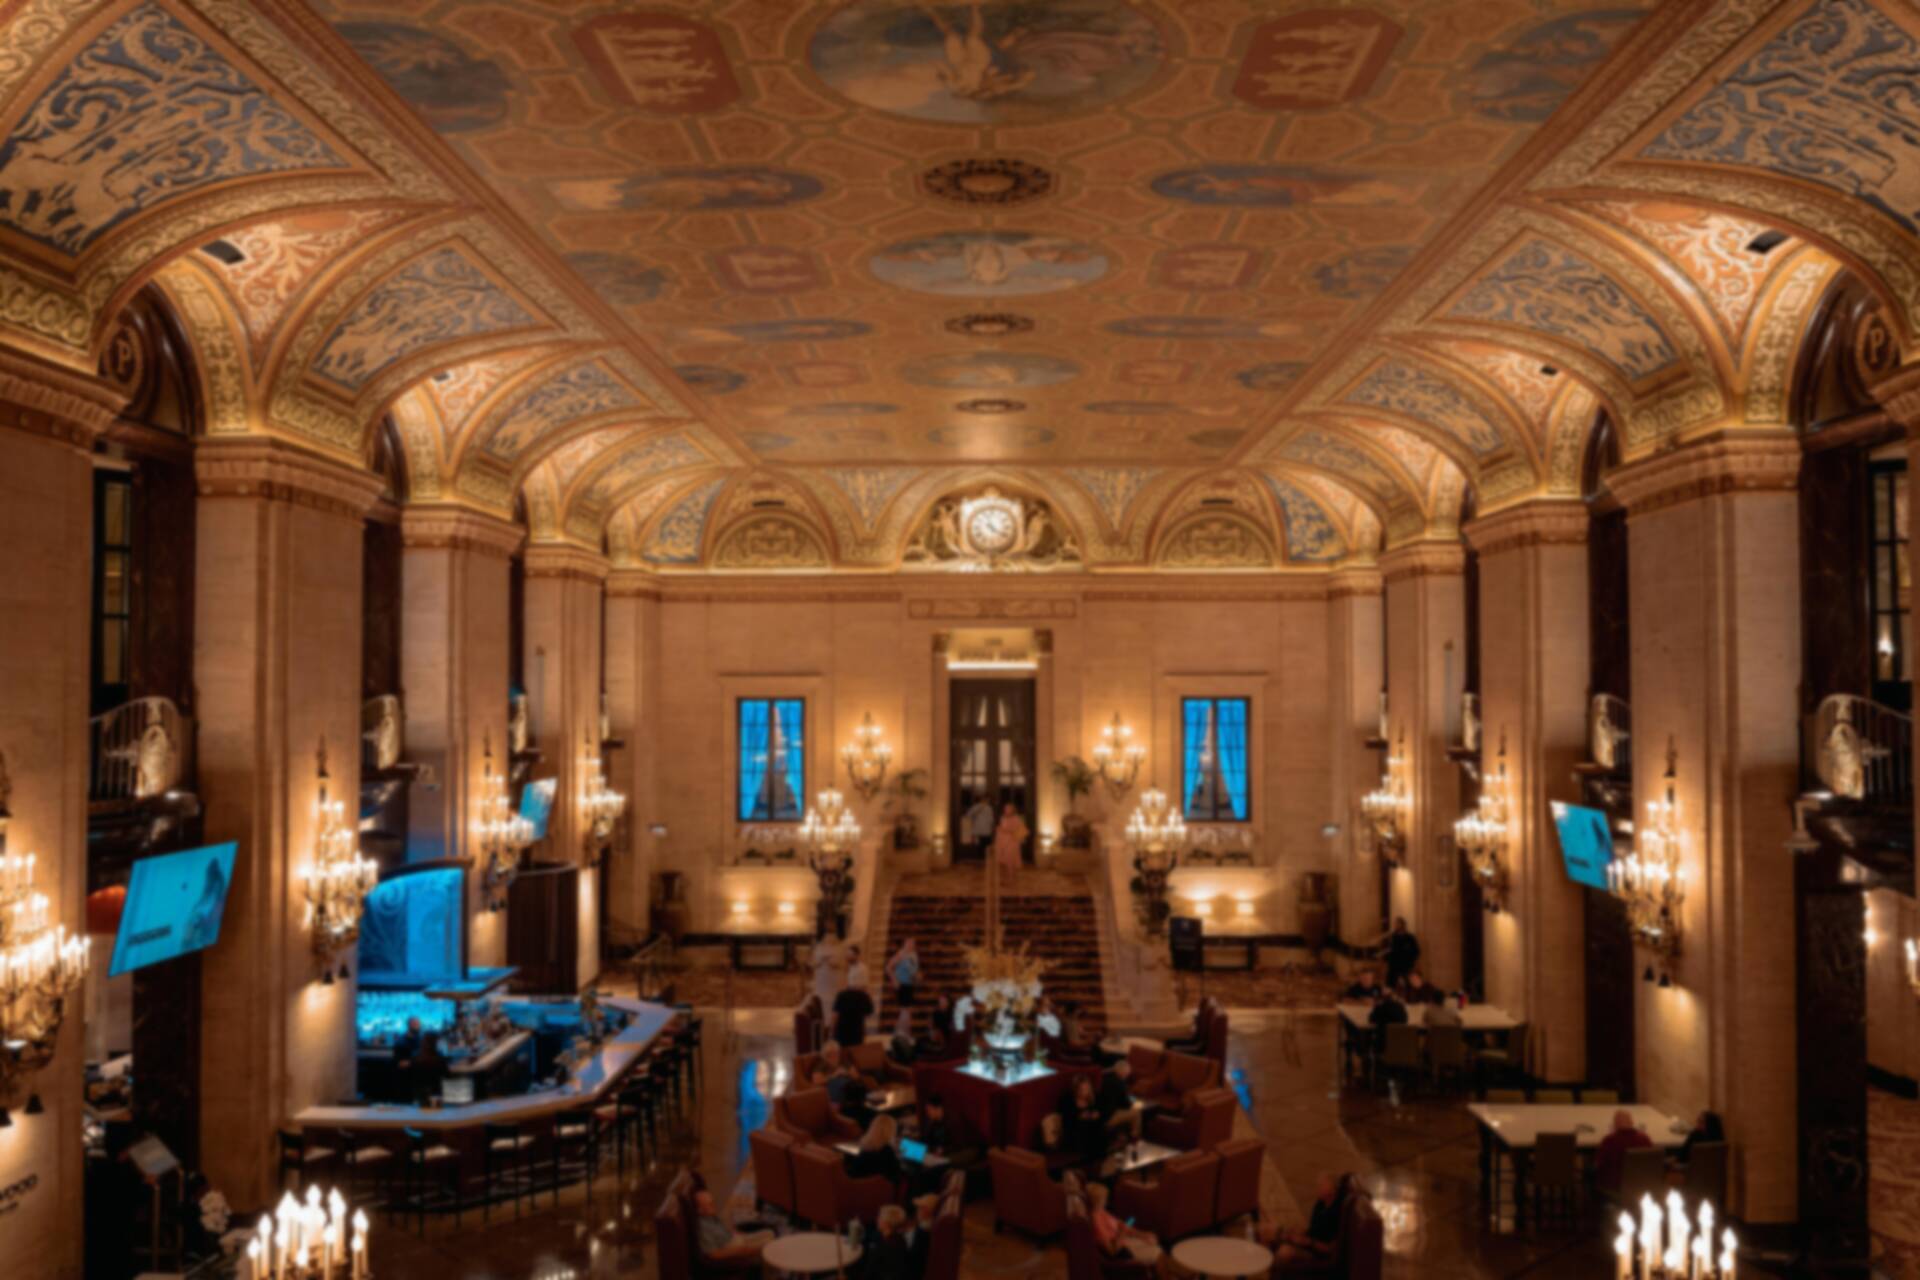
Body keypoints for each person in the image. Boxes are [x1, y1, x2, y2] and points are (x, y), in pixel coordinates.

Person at [1261, 1172, 1351, 1264]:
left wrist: (1308, 1242)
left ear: (1332, 1190)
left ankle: (1274, 1271)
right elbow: (1313, 1229)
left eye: (1322, 1185)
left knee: (1285, 1252)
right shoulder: (1320, 1204)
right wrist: (1298, 1232)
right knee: (1269, 1230)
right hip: (1307, 1241)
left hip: (1317, 1253)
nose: (1318, 1188)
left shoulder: (1337, 1213)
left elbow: (1331, 1249)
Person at [1085, 1180, 1161, 1264]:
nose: (1106, 1202)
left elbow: (1122, 1224)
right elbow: (1112, 1251)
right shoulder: (1096, 1221)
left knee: (1150, 1237)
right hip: (1122, 1251)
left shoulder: (1101, 1211)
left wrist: (1142, 1234)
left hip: (1124, 1238)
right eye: (1104, 1199)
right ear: (1096, 1201)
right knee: (1157, 1252)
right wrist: (1123, 1232)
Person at [693, 1187, 773, 1264]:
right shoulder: (702, 1227)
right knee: (768, 1245)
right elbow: (714, 1254)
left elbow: (724, 1229)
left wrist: (737, 1233)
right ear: (699, 1210)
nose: (714, 1205)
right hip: (731, 1247)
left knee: (769, 1233)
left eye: (713, 1201)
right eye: (710, 1204)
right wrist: (742, 1251)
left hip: (735, 1239)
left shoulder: (710, 1216)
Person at [1595, 1109, 1653, 1192]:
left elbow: (1598, 1164)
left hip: (1614, 1185)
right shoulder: (1644, 1139)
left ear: (1615, 1125)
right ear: (1632, 1123)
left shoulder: (1609, 1140)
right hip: (1641, 1184)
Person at [845, 1114, 905, 1190]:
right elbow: (896, 1176)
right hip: (876, 1190)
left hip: (856, 1187)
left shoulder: (863, 1144)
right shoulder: (888, 1152)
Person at [1059, 1074, 1107, 1169]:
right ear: (1075, 1089)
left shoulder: (1093, 1098)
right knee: (1089, 1131)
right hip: (1074, 1133)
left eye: (1087, 1089)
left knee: (1098, 1130)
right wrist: (1079, 1117)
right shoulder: (1068, 1100)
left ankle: (1098, 1163)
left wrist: (1097, 1114)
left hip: (1092, 1131)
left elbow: (1102, 1112)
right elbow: (1066, 1121)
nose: (1085, 1092)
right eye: (1082, 1089)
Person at [864, 1203, 913, 1280]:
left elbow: (871, 1272)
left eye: (880, 1217)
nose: (877, 1219)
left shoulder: (888, 1246)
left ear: (886, 1223)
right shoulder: (897, 1238)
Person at [833, 969, 876, 1049]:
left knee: (843, 1054)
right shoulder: (864, 996)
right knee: (856, 1053)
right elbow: (869, 1013)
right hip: (857, 1032)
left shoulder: (841, 995)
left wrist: (833, 1030)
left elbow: (835, 1015)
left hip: (842, 1031)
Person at [992, 802, 1030, 877]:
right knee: (1002, 859)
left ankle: (1011, 876)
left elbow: (1016, 830)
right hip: (1002, 840)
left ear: (1012, 810)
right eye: (1005, 808)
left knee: (1010, 858)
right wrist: (999, 830)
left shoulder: (1016, 818)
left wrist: (1003, 830)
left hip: (1011, 841)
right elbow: (1001, 828)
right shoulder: (1002, 817)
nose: (1006, 810)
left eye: (1008, 808)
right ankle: (1004, 876)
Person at [411, 1032, 449, 1104]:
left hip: (419, 1095)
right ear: (435, 1044)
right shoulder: (439, 1059)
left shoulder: (415, 1057)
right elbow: (447, 1075)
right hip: (436, 1094)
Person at [904, 1193, 939, 1274]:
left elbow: (912, 1258)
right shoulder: (927, 1226)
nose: (917, 1210)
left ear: (925, 1210)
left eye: (919, 1208)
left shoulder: (923, 1232)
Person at [1383, 917, 1421, 988]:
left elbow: (1416, 951)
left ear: (1403, 925)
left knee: (1407, 984)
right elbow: (1392, 951)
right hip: (1394, 966)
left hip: (1406, 966)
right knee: (1391, 984)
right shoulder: (1394, 937)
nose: (1396, 926)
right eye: (1395, 924)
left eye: (1397, 924)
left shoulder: (1410, 938)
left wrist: (1412, 962)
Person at [888, 939, 921, 1011]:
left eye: (912, 943)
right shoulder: (901, 954)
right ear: (904, 944)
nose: (911, 945)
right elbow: (888, 968)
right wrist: (894, 980)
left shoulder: (913, 954)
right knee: (904, 1011)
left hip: (910, 984)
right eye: (909, 943)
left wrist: (917, 976)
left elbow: (913, 969)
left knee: (908, 1011)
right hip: (902, 984)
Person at [963, 793, 996, 861]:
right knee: (981, 846)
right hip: (979, 830)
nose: (987, 801)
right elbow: (968, 815)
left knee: (986, 846)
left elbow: (991, 819)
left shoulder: (989, 808)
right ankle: (980, 859)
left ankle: (985, 860)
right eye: (986, 799)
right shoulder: (976, 807)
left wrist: (992, 827)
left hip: (985, 830)